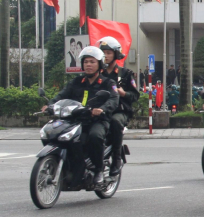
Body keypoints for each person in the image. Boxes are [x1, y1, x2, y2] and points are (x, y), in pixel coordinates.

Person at [44, 46, 119, 186]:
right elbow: (62, 95)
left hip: (98, 120)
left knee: (94, 136)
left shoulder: (108, 83)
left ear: (100, 64)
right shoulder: (76, 82)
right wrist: (50, 105)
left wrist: (102, 109)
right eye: (86, 62)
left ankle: (98, 170)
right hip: (76, 120)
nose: (88, 65)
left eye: (92, 61)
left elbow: (113, 99)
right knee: (53, 132)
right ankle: (67, 165)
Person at [99, 36, 139, 176]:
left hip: (119, 110)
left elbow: (135, 95)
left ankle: (116, 159)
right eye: (103, 52)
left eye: (109, 53)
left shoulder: (125, 74)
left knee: (115, 122)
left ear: (115, 54)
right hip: (101, 110)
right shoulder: (98, 74)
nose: (106, 56)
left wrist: (124, 94)